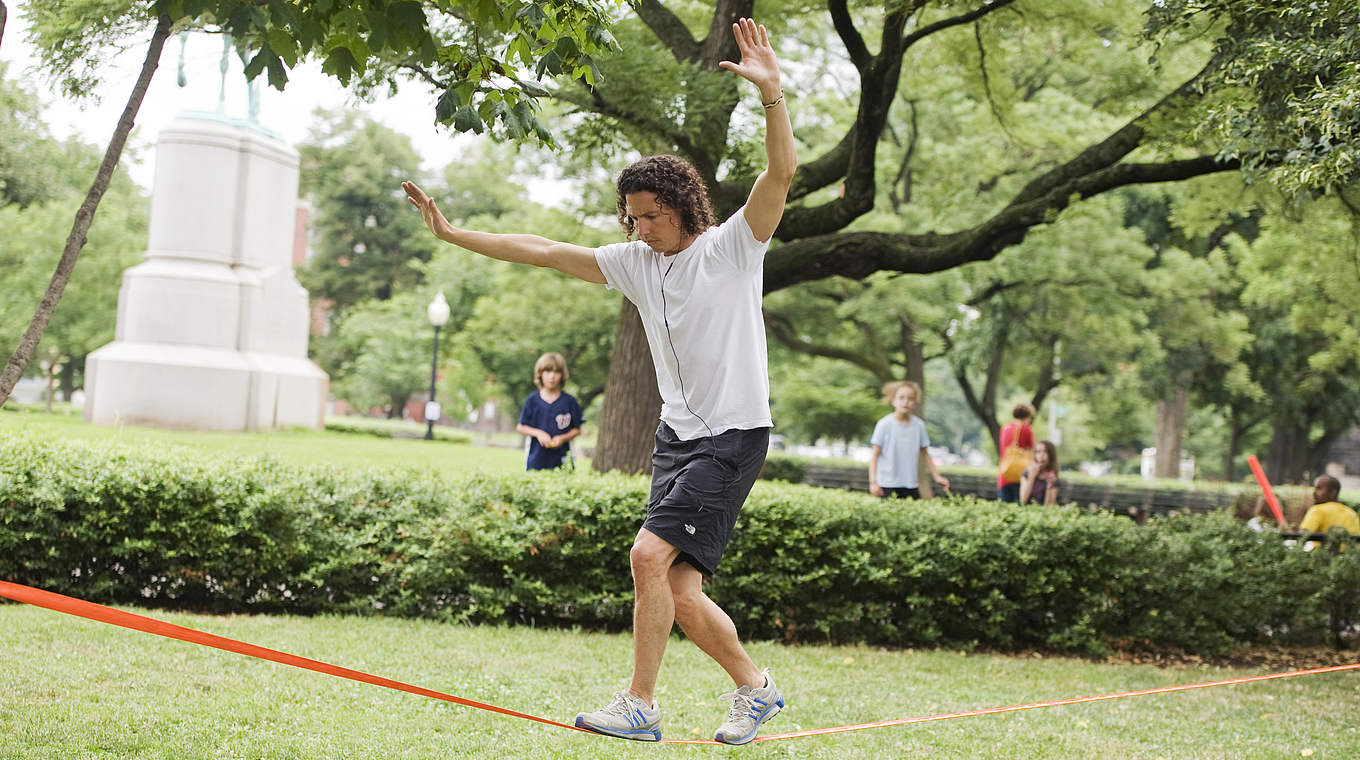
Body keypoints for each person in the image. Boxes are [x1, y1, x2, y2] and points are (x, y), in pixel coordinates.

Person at [401, 17, 795, 745]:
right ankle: (756, 689)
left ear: (681, 208)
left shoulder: (733, 250)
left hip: (734, 434)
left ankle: (640, 704)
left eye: (650, 217)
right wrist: (457, 234)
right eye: (631, 218)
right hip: (679, 436)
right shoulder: (636, 264)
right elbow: (544, 250)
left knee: (647, 556)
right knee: (676, 589)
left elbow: (779, 175)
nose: (639, 228)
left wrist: (773, 97)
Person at [868, 380, 949, 499]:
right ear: (893, 400)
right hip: (887, 484)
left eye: (910, 398)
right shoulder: (884, 424)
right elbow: (875, 455)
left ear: (915, 402)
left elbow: (925, 453)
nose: (905, 402)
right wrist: (873, 482)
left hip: (910, 484)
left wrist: (937, 477)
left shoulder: (919, 425)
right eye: (901, 397)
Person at [516, 352, 584, 471]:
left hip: (563, 460)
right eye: (547, 372)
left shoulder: (569, 401)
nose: (552, 376)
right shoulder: (532, 400)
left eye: (556, 372)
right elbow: (521, 427)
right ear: (540, 374)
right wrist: (538, 433)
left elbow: (577, 430)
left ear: (562, 375)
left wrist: (562, 438)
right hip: (536, 459)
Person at [1297, 475, 1360, 544]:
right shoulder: (1352, 513)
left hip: (1321, 554)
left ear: (1333, 492)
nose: (1314, 492)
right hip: (1350, 554)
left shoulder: (1317, 510)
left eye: (1319, 488)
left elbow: (1302, 536)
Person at [996, 403, 1035, 502]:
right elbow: (1033, 450)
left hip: (1005, 473)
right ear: (1027, 416)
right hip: (1019, 475)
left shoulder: (1005, 428)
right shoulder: (1026, 429)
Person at [1019, 439, 1060, 506]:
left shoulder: (1053, 478)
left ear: (1051, 456)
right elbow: (1023, 500)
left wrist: (1049, 487)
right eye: (1038, 452)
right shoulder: (1026, 473)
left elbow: (1049, 507)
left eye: (1045, 452)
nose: (1041, 455)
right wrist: (1032, 477)